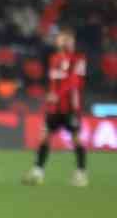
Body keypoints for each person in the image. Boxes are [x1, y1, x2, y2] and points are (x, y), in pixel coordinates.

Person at [24, 30, 88, 187]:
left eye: (68, 39)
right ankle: (38, 171)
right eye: (62, 39)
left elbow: (74, 82)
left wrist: (57, 95)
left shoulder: (78, 59)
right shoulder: (53, 59)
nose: (64, 42)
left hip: (71, 107)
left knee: (76, 138)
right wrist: (51, 97)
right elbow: (53, 82)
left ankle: (81, 173)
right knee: (44, 136)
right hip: (53, 108)